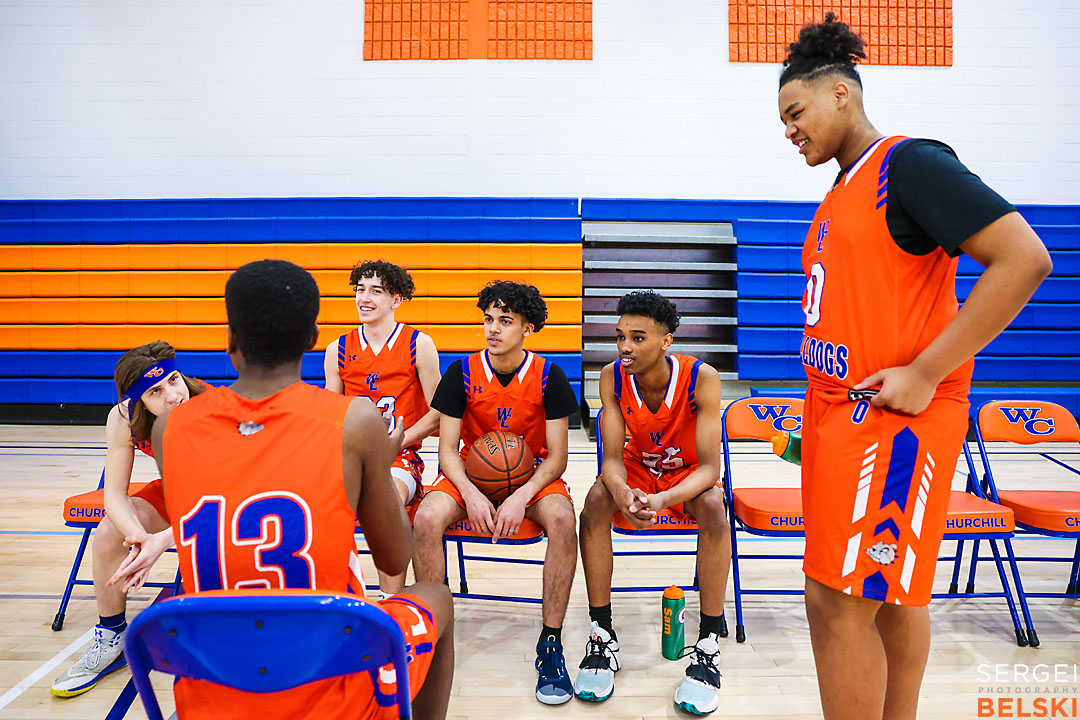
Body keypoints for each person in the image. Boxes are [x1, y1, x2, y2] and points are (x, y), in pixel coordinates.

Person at [777, 14, 1052, 720]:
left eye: (796, 112)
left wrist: (926, 370)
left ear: (842, 94)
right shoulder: (841, 191)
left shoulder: (910, 163)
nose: (789, 131)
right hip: (840, 424)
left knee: (835, 599)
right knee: (891, 594)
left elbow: (1024, 259)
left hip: (891, 427)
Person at [109, 260, 455, 720]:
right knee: (436, 598)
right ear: (313, 339)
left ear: (230, 338)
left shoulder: (171, 427)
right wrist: (378, 457)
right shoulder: (355, 422)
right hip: (328, 677)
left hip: (213, 677)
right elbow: (393, 558)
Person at [411, 280, 579, 705]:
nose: (493, 329)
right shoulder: (461, 372)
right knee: (427, 517)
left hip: (534, 475)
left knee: (562, 520)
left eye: (505, 321)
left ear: (528, 329)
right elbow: (447, 450)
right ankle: (433, 635)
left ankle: (551, 642)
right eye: (489, 319)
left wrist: (523, 495)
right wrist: (469, 491)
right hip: (470, 473)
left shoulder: (550, 376)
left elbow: (558, 457)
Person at [574, 291, 730, 715]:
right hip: (636, 470)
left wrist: (663, 499)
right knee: (594, 504)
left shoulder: (703, 377)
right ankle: (602, 633)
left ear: (666, 341)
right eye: (620, 336)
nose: (625, 347)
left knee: (715, 508)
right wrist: (623, 493)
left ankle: (709, 641)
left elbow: (710, 469)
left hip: (684, 477)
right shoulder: (611, 376)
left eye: (638, 338)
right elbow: (609, 458)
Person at [51, 341, 205, 697]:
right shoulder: (123, 417)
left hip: (222, 498)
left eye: (174, 381)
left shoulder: (212, 406)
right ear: (138, 402)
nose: (172, 395)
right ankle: (110, 637)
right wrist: (138, 537)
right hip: (174, 489)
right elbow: (115, 494)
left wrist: (162, 541)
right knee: (109, 533)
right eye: (156, 390)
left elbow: (223, 499)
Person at [324, 260, 442, 597]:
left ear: (396, 300)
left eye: (376, 290)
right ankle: (337, 595)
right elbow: (332, 415)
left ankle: (391, 601)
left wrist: (397, 441)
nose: (365, 297)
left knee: (384, 497)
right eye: (360, 289)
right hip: (352, 457)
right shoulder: (337, 350)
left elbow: (437, 413)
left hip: (401, 459)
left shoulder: (419, 344)